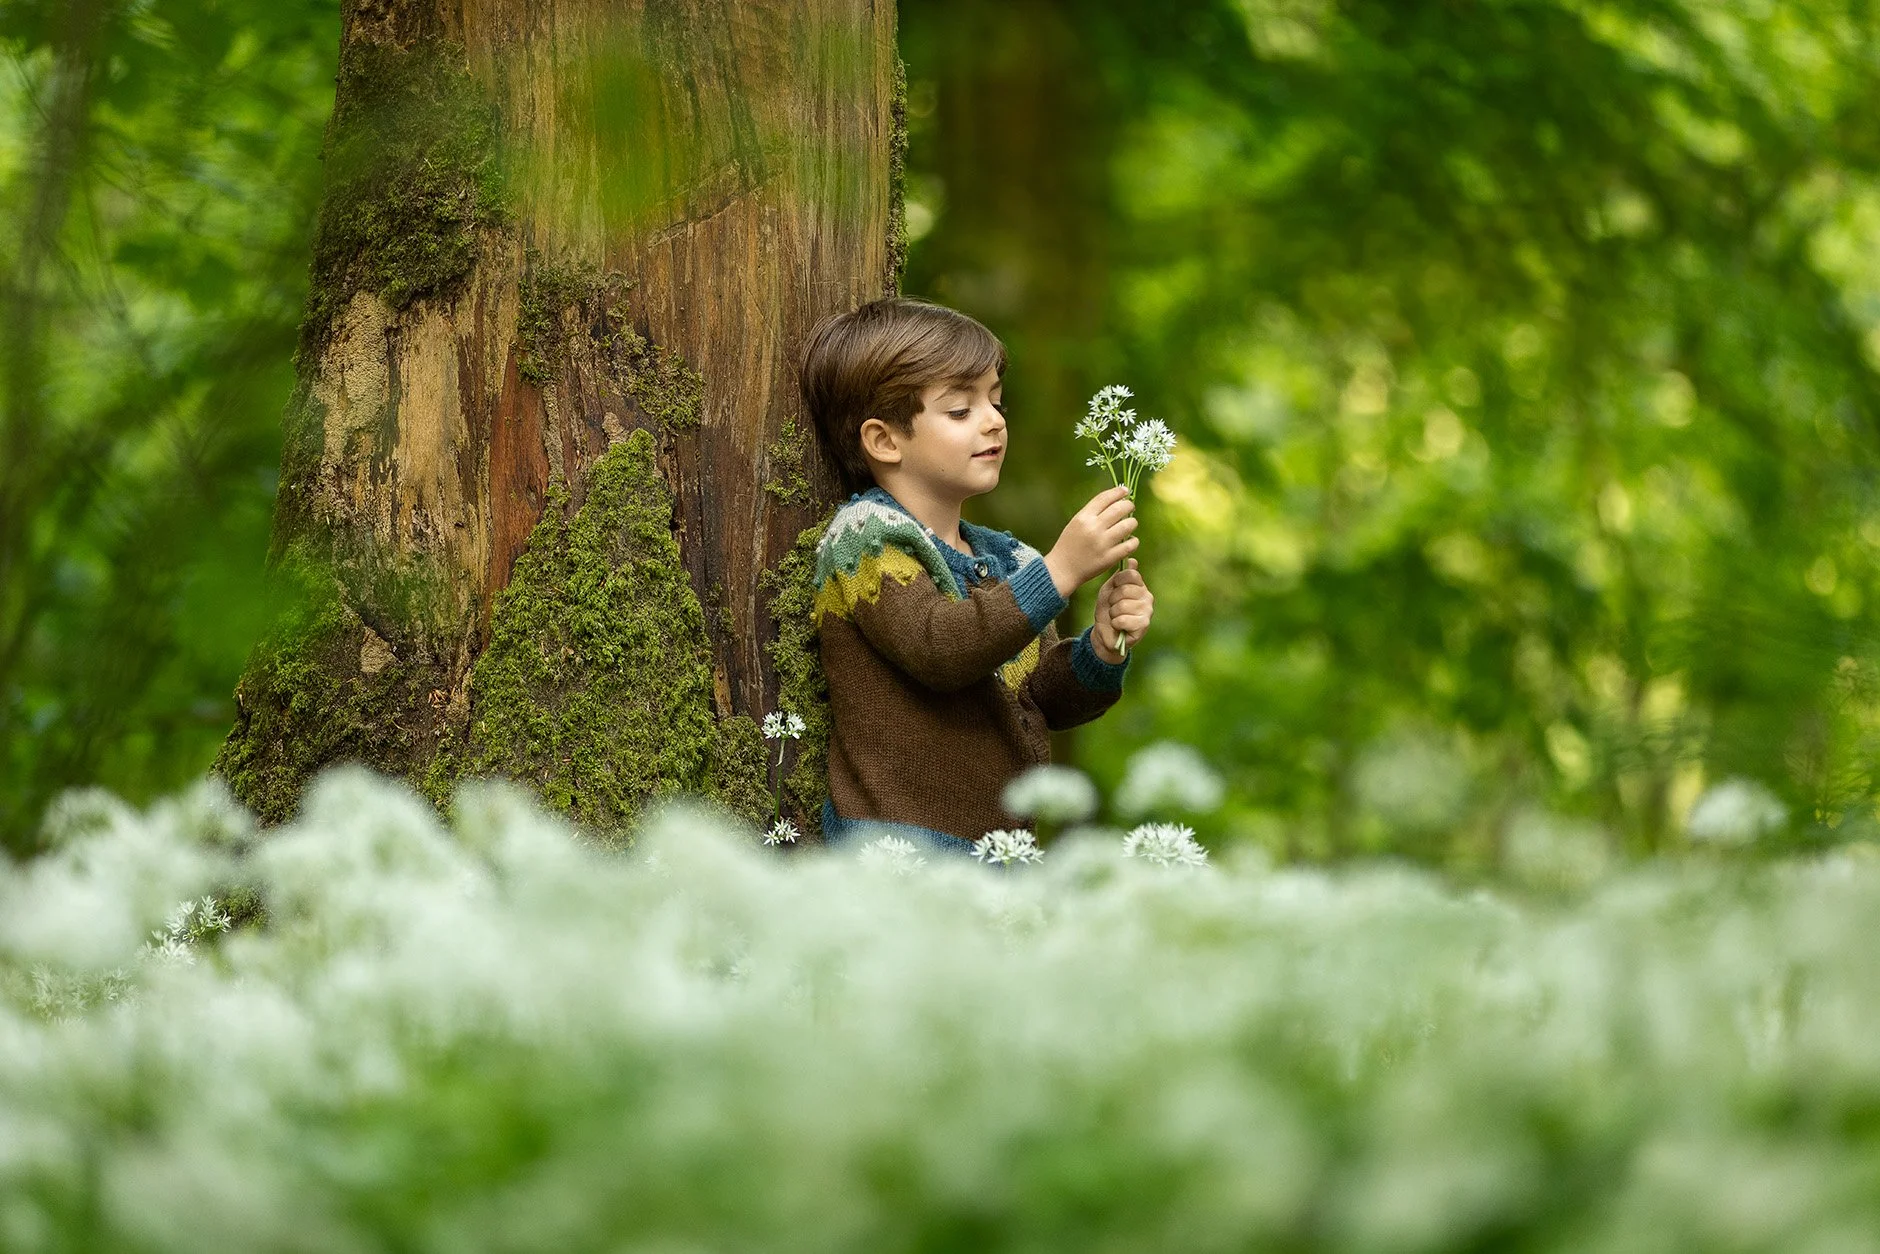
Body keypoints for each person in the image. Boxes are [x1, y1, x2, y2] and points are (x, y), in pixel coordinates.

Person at [800, 296, 1155, 855]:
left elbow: (1041, 701)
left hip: (998, 855)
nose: (993, 421)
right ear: (885, 441)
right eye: (960, 410)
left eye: (996, 401)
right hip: (899, 852)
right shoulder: (865, 539)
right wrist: (1060, 573)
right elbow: (940, 647)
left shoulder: (1009, 559)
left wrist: (1103, 648)